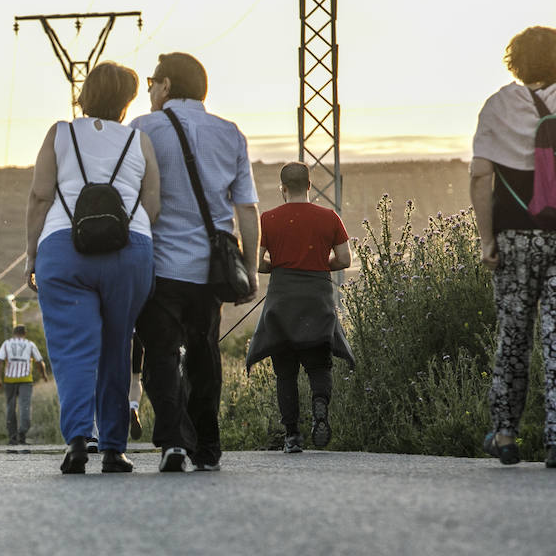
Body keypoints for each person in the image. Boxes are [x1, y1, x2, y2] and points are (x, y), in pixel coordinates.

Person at [25, 61, 160, 473]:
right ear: (126, 101)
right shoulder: (140, 140)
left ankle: (80, 440)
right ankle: (115, 448)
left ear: (85, 95)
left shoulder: (60, 133)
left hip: (64, 249)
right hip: (129, 250)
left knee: (72, 351)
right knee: (118, 348)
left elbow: (39, 196)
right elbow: (152, 204)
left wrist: (32, 255)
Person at [129, 52, 260, 473]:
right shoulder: (230, 133)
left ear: (166, 86)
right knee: (205, 355)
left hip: (160, 268)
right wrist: (251, 269)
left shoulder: (142, 130)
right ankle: (208, 446)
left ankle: (173, 443)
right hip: (210, 269)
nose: (149, 89)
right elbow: (247, 211)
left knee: (161, 355)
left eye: (152, 81)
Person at [470, 26, 556, 468]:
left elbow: (480, 176)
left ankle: (506, 435)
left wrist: (487, 240)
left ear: (515, 61)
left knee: (514, 335)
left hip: (514, 235)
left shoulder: (499, 105)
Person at [244, 162, 355, 453]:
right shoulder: (329, 217)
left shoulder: (267, 219)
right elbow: (344, 259)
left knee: (285, 372)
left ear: (283, 188)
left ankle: (292, 436)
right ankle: (320, 406)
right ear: (309, 186)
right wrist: (319, 266)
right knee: (319, 364)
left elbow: (256, 262)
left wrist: (278, 267)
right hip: (316, 299)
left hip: (282, 302)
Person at [0, 326, 48, 451]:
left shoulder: (7, 343)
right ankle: (22, 434)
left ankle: (12, 438)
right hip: (25, 380)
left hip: (9, 380)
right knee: (25, 406)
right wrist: (44, 375)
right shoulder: (30, 344)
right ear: (25, 334)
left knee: (10, 408)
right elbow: (40, 361)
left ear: (14, 333)